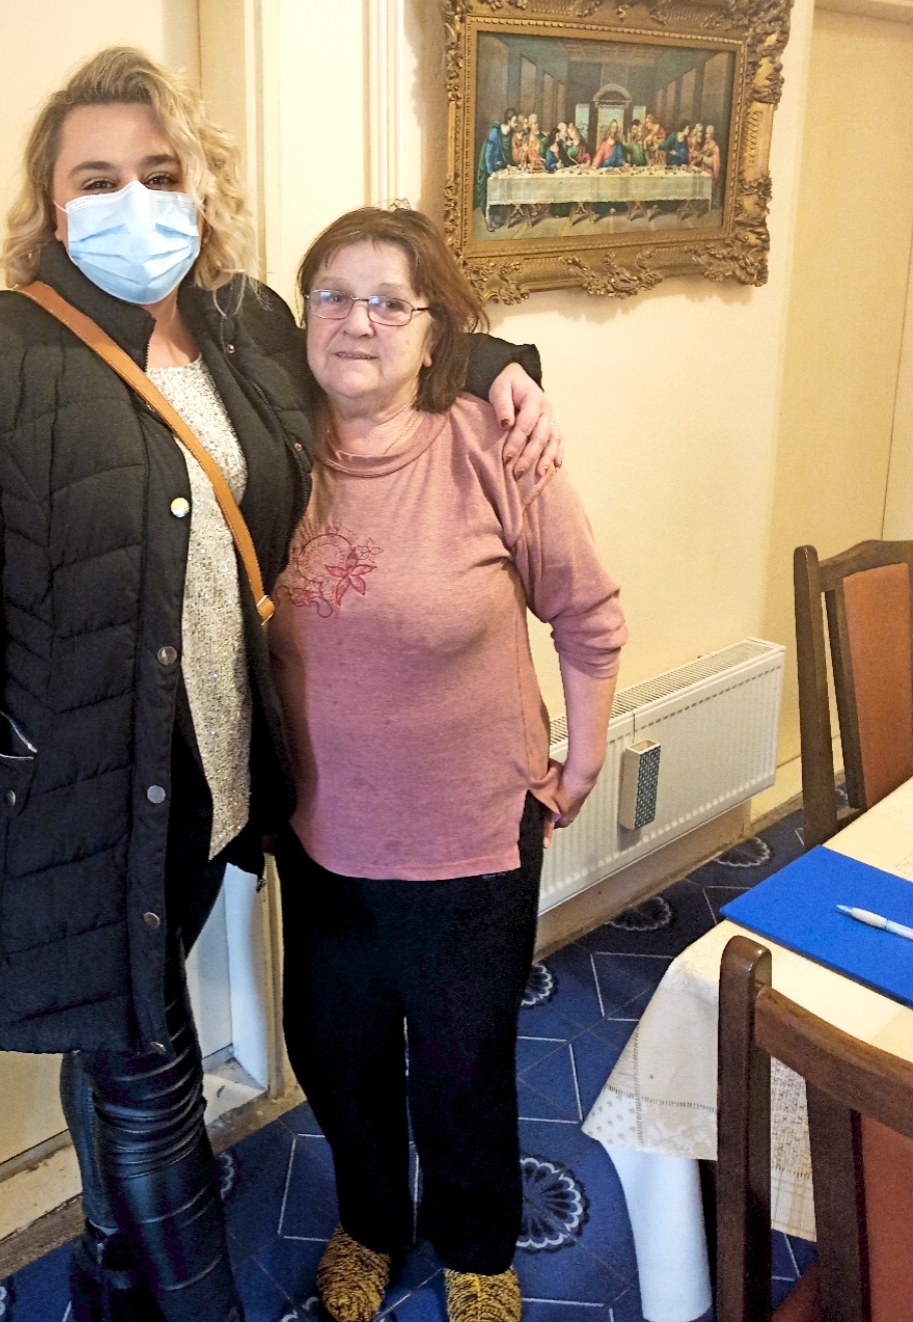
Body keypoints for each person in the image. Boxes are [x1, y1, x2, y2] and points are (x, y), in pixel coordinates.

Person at [0, 49, 560, 1322]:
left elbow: (382, 341)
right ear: (49, 202)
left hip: (217, 791)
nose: (133, 200)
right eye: (97, 178)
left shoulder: (242, 325)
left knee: (116, 1039)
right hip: (80, 817)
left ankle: (112, 1253)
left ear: (199, 185)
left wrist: (504, 360)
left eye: (159, 170)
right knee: (149, 1077)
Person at [270, 207, 627, 1322]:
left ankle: (477, 1243)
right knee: (336, 1053)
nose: (357, 322)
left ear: (436, 336)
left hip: (469, 833)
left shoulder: (492, 444)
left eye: (390, 302)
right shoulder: (268, 447)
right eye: (332, 295)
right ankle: (372, 1221)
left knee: (464, 1059)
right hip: (321, 833)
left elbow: (587, 613)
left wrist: (581, 755)